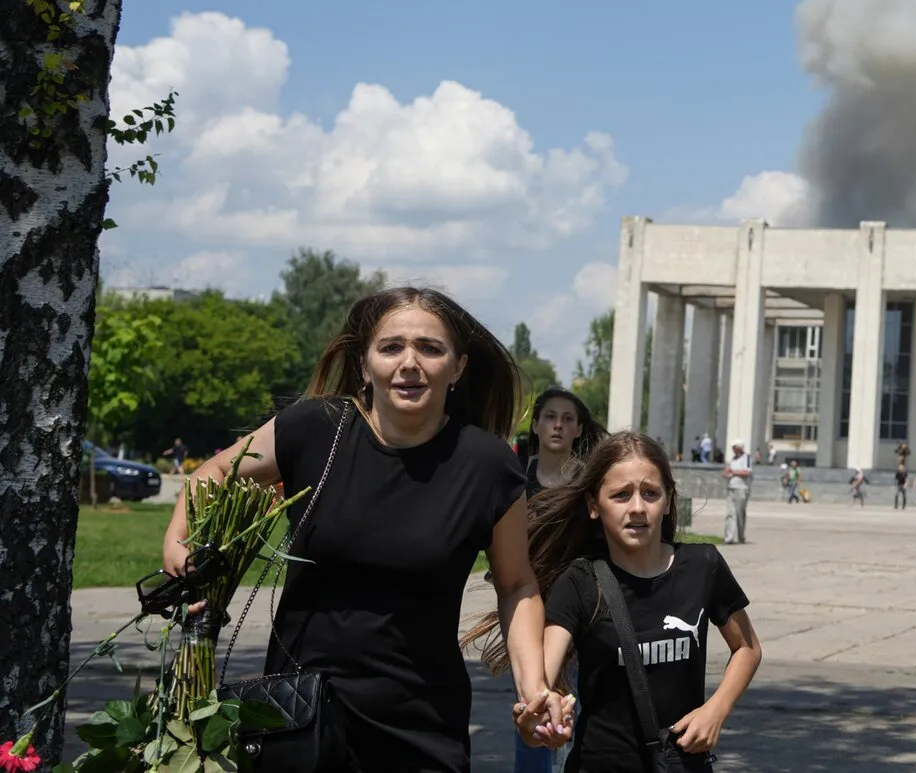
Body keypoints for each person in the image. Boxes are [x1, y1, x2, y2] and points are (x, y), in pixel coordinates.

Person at [161, 286, 563, 771]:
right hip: (299, 711)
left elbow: (517, 584)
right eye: (391, 346)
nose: (409, 362)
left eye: (429, 348)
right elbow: (216, 473)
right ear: (363, 364)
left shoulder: (487, 465)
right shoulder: (315, 428)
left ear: (457, 368)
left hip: (422, 721)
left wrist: (535, 687)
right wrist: (178, 540)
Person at [476, 431, 763, 773]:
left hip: (680, 765)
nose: (638, 507)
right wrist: (539, 720)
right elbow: (544, 685)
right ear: (594, 506)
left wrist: (716, 710)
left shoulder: (704, 566)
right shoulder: (580, 581)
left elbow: (747, 648)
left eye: (650, 493)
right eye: (621, 495)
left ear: (669, 501)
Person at [515, 388, 607, 773]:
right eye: (550, 416)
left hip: (580, 611)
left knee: (579, 708)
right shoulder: (514, 479)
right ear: (535, 426)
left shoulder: (589, 484)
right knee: (533, 706)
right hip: (528, 609)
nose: (558, 424)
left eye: (567, 418)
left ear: (578, 428)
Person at [722, 440, 752, 544]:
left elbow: (747, 472)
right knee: (730, 513)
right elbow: (731, 472)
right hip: (731, 487)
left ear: (740, 447)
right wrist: (727, 474)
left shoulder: (747, 457)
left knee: (740, 513)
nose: (733, 449)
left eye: (734, 447)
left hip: (742, 488)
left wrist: (732, 472)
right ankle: (728, 538)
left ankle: (741, 536)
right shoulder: (733, 459)